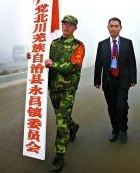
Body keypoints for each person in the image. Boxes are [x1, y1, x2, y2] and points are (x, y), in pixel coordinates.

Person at [27, 15, 85, 172]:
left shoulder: (78, 46)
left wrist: (54, 64)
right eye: (64, 24)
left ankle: (59, 156)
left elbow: (72, 67)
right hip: (53, 88)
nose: (66, 27)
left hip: (68, 90)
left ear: (75, 28)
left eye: (70, 25)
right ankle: (73, 127)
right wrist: (33, 57)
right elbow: (44, 60)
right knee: (63, 117)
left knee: (61, 122)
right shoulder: (52, 44)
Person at [94, 17, 137, 144]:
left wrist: (133, 79)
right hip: (108, 80)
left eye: (116, 26)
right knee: (112, 107)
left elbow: (132, 62)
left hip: (123, 80)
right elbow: (98, 63)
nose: (114, 28)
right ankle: (115, 130)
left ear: (120, 28)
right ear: (108, 28)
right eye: (111, 26)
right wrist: (97, 80)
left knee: (121, 106)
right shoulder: (102, 44)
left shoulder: (127, 43)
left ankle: (123, 129)